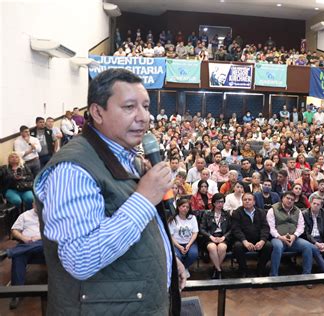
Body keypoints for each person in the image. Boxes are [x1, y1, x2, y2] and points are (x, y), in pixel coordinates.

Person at [34, 69, 183, 315]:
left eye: (145, 106)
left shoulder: (125, 157)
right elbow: (80, 259)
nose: (143, 117)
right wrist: (145, 198)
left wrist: (165, 260)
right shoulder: (73, 169)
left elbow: (134, 228)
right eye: (129, 107)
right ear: (97, 112)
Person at [0, 206, 45, 309]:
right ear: (33, 204)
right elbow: (14, 230)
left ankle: (8, 252)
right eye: (36, 203)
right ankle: (16, 293)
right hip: (26, 245)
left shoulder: (51, 216)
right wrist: (23, 238)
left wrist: (39, 237)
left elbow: (56, 234)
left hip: (44, 247)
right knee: (19, 255)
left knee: (42, 243)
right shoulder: (25, 215)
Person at [266, 191, 313, 277]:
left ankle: (307, 275)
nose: (290, 201)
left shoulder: (297, 211)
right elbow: (271, 228)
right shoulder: (272, 210)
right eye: (287, 198)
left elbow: (301, 227)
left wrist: (294, 236)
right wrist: (280, 237)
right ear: (282, 198)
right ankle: (273, 275)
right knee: (278, 246)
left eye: (292, 199)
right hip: (278, 238)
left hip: (294, 238)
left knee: (308, 246)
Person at [231, 193, 272, 277]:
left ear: (254, 202)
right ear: (242, 201)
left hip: (258, 240)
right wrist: (244, 241)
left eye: (249, 200)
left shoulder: (261, 212)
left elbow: (265, 228)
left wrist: (262, 240)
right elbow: (236, 229)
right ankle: (243, 269)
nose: (247, 201)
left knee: (268, 246)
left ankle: (260, 269)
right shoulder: (237, 212)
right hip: (244, 240)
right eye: (245, 200)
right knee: (237, 246)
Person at [200, 193, 232, 279]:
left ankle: (215, 268)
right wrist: (211, 237)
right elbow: (202, 229)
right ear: (213, 203)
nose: (220, 204)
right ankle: (219, 270)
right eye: (218, 202)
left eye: (222, 202)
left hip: (223, 237)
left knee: (222, 248)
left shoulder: (227, 214)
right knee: (212, 247)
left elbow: (231, 229)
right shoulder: (207, 214)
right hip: (210, 237)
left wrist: (223, 237)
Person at [168, 199, 199, 278]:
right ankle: (180, 270)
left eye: (187, 207)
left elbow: (195, 233)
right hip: (176, 243)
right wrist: (179, 246)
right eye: (183, 206)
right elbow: (171, 235)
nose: (185, 208)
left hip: (189, 242)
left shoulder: (192, 218)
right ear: (178, 207)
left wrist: (188, 245)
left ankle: (184, 268)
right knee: (176, 256)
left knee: (193, 254)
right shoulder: (173, 219)